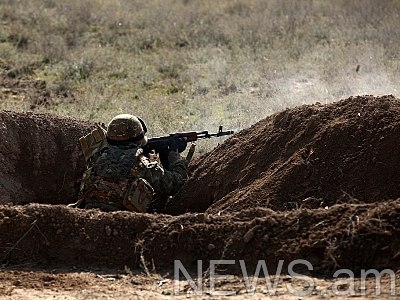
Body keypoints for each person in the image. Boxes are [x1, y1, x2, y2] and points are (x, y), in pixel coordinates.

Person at [70, 114, 188, 213]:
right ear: (139, 138)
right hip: (123, 221)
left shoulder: (96, 157)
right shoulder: (144, 165)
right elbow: (175, 184)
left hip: (88, 213)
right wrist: (174, 156)